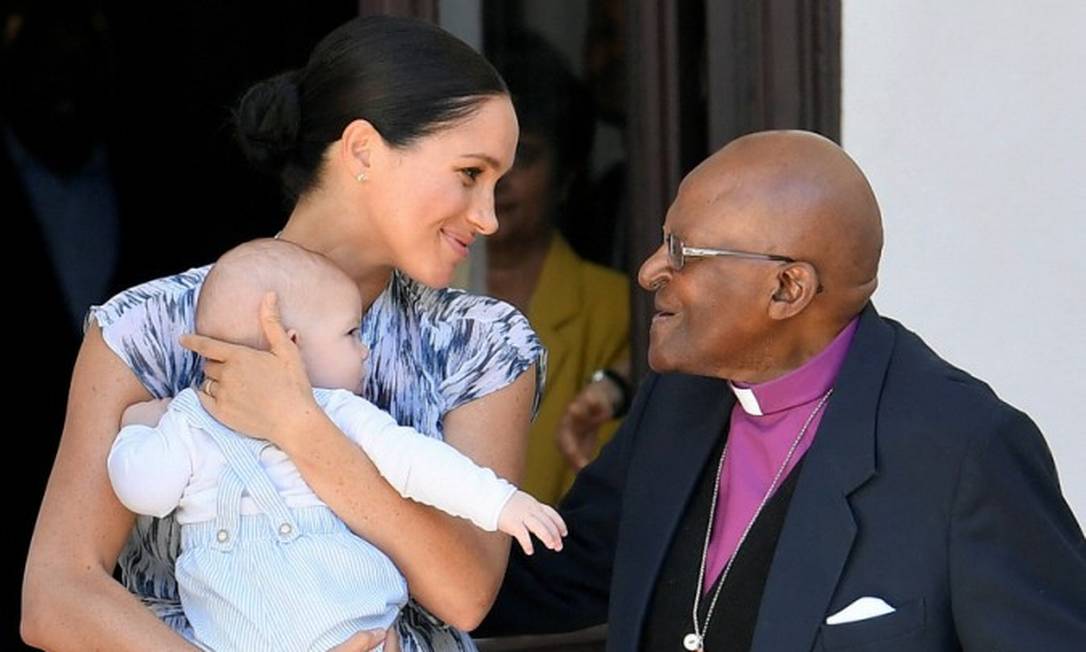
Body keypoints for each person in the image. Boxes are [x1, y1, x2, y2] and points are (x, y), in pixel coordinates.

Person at [23, 15, 544, 652]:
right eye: (469, 173)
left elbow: (464, 593)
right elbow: (56, 592)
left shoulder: (484, 344)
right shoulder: (148, 328)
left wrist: (302, 428)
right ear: (361, 151)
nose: (488, 217)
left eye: (497, 183)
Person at [478, 130, 1086, 650]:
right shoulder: (677, 404)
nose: (649, 270)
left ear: (787, 289)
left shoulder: (965, 449)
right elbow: (559, 576)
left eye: (681, 252)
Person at [107, 239, 566, 651]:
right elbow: (147, 492)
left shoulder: (336, 412)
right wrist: (141, 430)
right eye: (350, 334)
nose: (364, 350)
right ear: (289, 344)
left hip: (354, 623)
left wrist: (500, 503)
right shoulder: (191, 417)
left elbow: (420, 464)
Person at [486, 31, 630, 503]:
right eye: (479, 159)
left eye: (522, 157)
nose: (498, 180)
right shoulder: (407, 292)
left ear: (566, 177)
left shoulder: (617, 308)